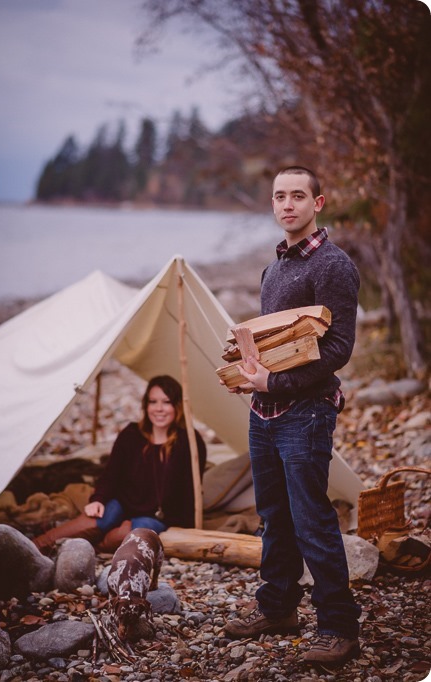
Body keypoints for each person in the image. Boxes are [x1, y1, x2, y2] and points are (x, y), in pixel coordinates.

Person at [221, 166, 362, 668]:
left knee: (312, 520)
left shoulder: (333, 265)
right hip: (264, 413)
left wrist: (275, 383)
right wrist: (248, 373)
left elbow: (339, 346)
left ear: (318, 203)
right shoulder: (274, 269)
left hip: (306, 414)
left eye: (298, 196)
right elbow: (271, 345)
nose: (288, 205)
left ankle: (338, 628)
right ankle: (278, 607)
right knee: (273, 517)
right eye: (280, 196)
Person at [33, 375, 207, 553]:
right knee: (100, 518)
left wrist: (187, 528)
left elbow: (191, 490)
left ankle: (92, 550)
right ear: (146, 405)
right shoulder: (132, 434)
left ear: (177, 406)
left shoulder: (189, 442)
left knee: (133, 532)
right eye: (153, 402)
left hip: (158, 516)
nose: (159, 409)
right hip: (124, 503)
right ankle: (35, 546)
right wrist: (99, 499)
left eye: (166, 402)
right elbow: (110, 474)